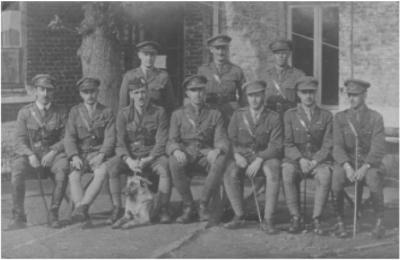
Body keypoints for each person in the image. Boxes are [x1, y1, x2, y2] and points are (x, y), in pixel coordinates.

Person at [107, 77, 171, 225]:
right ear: (131, 95)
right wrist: (128, 160)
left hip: (152, 155)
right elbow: (120, 142)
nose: (140, 96)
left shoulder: (159, 112)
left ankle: (163, 208)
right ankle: (117, 208)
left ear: (148, 93)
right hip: (131, 157)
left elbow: (162, 140)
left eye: (143, 92)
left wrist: (149, 158)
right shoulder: (123, 114)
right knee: (112, 167)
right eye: (136, 92)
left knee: (165, 167)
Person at [167, 75, 231, 223]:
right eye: (193, 90)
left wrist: (217, 150)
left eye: (201, 90)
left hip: (205, 155)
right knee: (173, 161)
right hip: (186, 154)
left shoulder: (215, 114)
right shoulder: (178, 115)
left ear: (206, 92)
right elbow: (171, 140)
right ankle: (188, 205)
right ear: (187, 94)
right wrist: (176, 150)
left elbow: (221, 139)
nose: (198, 94)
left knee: (220, 159)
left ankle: (203, 204)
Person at [8, 74, 69, 230]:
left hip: (52, 156)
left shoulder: (61, 112)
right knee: (17, 170)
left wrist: (53, 152)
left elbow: (67, 138)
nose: (45, 94)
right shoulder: (25, 113)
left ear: (53, 92)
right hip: (32, 156)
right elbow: (19, 140)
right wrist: (30, 154)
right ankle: (18, 216)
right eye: (42, 89)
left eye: (49, 90)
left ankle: (53, 213)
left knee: (62, 168)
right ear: (35, 91)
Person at [223, 80, 283, 234]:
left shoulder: (273, 117)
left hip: (266, 156)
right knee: (230, 171)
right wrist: (236, 155)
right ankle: (239, 214)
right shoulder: (238, 115)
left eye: (258, 95)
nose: (254, 99)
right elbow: (230, 139)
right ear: (246, 97)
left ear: (264, 95)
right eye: (251, 96)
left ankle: (269, 219)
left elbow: (276, 145)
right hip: (242, 155)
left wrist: (260, 158)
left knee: (274, 171)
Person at [331, 79, 386, 239]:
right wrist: (347, 166)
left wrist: (365, 167)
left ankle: (379, 221)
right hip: (348, 163)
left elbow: (378, 147)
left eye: (355, 95)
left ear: (364, 95)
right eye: (349, 95)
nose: (352, 99)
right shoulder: (340, 118)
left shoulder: (375, 118)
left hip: (369, 164)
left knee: (374, 179)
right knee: (337, 177)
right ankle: (340, 220)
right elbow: (337, 146)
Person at [281, 76, 333, 234]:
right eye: (304, 92)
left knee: (325, 176)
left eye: (311, 92)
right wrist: (300, 159)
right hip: (297, 160)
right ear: (298, 94)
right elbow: (288, 143)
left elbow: (328, 144)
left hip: (319, 161)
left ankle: (317, 218)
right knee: (287, 173)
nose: (308, 96)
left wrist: (316, 160)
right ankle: (295, 217)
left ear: (315, 93)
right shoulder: (290, 115)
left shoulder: (326, 115)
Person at [64, 77, 115, 227]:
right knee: (74, 176)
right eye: (86, 92)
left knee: (101, 173)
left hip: (98, 153)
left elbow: (110, 137)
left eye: (92, 92)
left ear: (97, 92)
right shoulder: (75, 111)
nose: (90, 96)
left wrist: (102, 155)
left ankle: (81, 208)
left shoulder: (106, 112)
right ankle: (82, 211)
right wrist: (73, 156)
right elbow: (69, 137)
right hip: (80, 154)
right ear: (81, 94)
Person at [197, 34, 246, 122]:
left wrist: (241, 114)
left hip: (230, 113)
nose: (220, 52)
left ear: (227, 49)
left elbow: (244, 96)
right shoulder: (203, 70)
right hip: (210, 112)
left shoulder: (236, 70)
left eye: (224, 48)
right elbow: (198, 93)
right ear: (211, 49)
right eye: (217, 48)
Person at [118, 40, 176, 114]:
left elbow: (170, 105)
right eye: (145, 54)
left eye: (152, 54)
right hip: (135, 121)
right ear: (139, 55)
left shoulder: (163, 76)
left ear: (156, 56)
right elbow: (123, 104)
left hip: (156, 121)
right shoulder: (129, 76)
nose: (149, 58)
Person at [263, 39, 305, 116]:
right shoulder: (265, 75)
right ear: (273, 55)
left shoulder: (298, 75)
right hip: (269, 117)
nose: (281, 56)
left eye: (284, 53)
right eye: (277, 53)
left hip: (290, 117)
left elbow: (303, 101)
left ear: (289, 54)